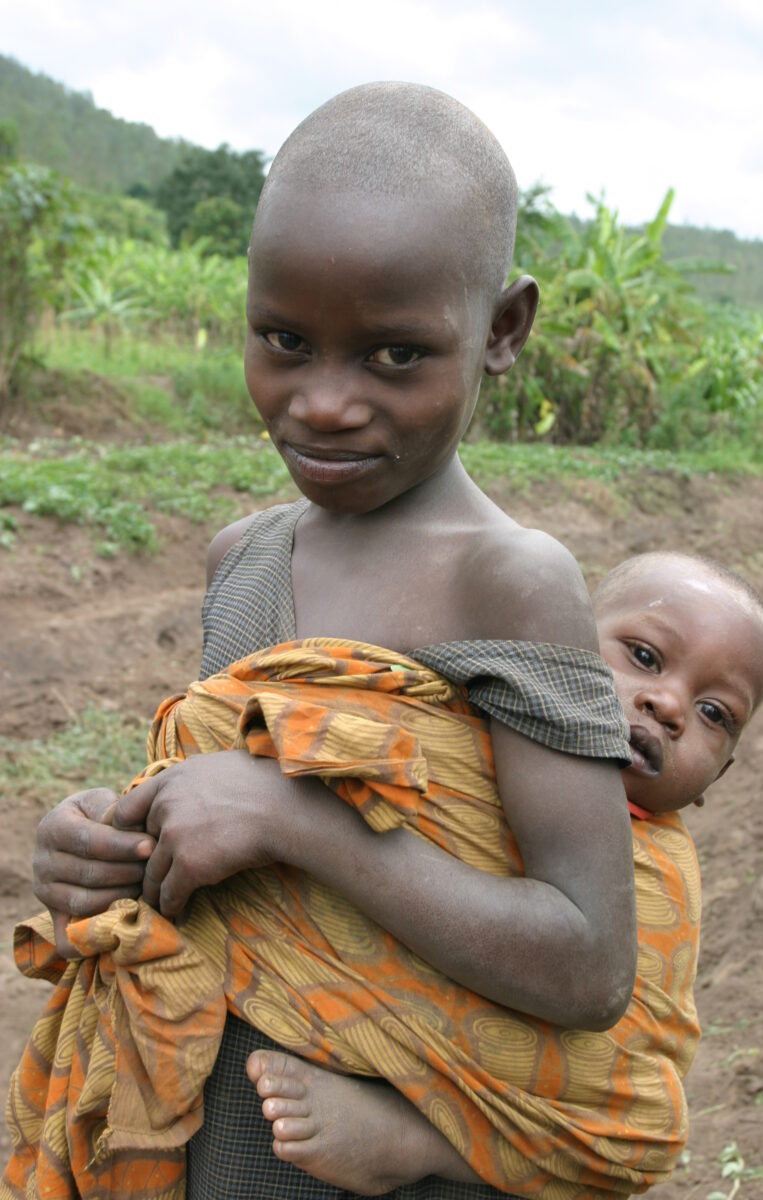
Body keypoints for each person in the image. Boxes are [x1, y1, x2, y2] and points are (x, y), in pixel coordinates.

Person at [15, 83, 642, 1200]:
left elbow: (587, 962)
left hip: (392, 1157)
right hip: (208, 1129)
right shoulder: (241, 560)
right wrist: (99, 853)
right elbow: (213, 819)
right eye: (284, 341)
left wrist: (297, 821)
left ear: (501, 331)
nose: (324, 403)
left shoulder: (505, 582)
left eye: (394, 355)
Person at [242, 550, 763, 1196]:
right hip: (369, 1004)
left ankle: (427, 1143)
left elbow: (639, 1043)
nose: (668, 704)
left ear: (714, 781)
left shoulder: (664, 872)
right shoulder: (469, 744)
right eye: (643, 657)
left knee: (647, 1129)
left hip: (540, 1080)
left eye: (714, 714)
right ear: (555, 649)